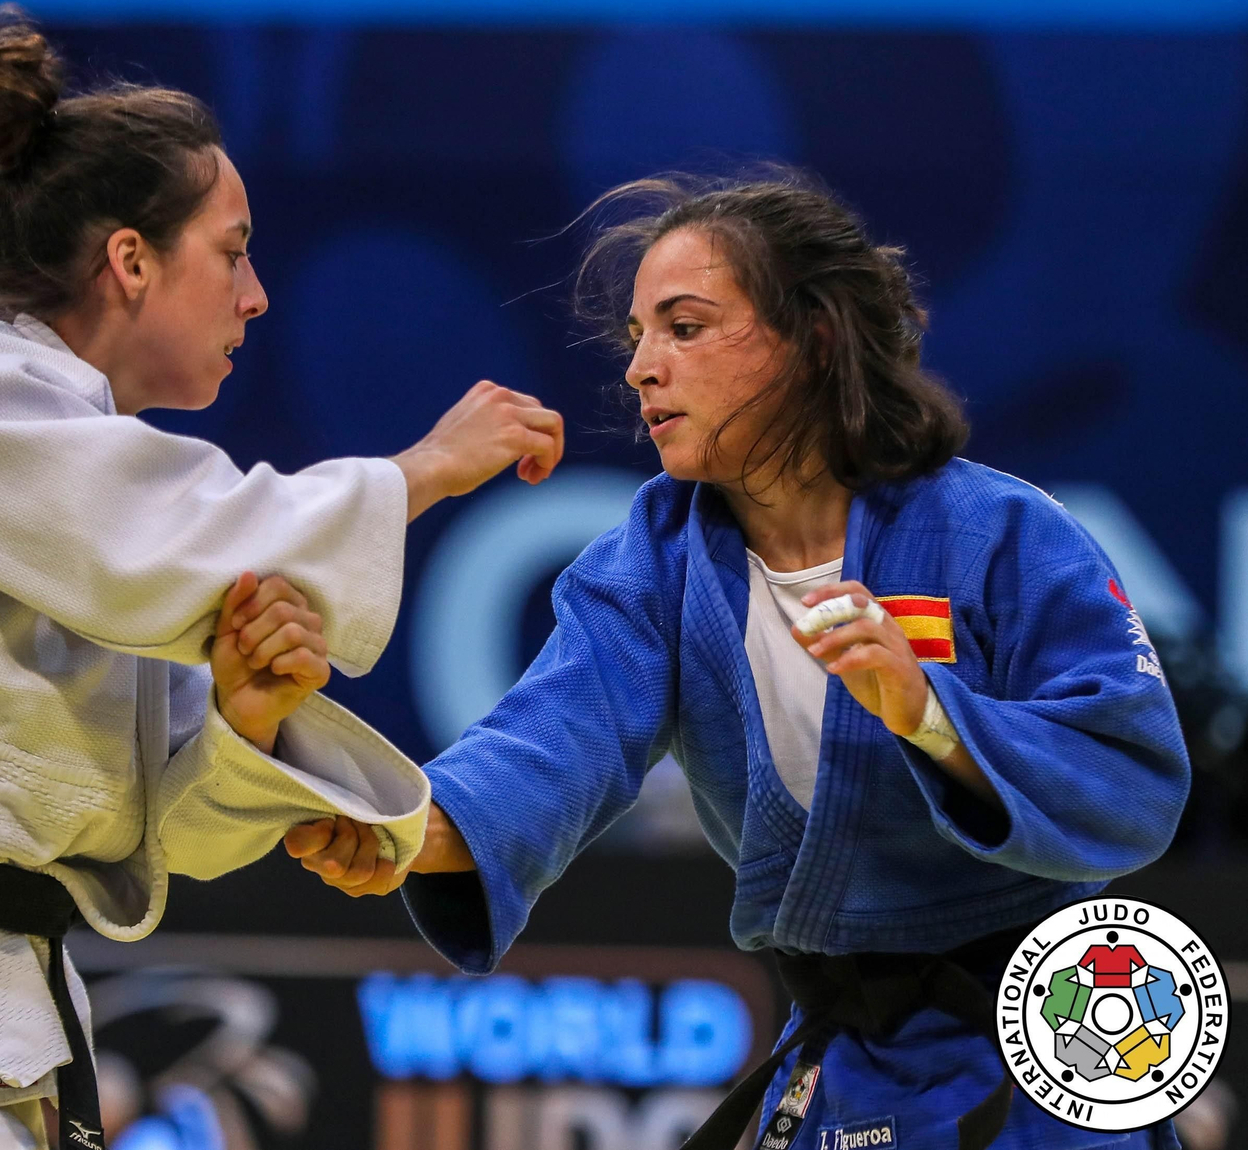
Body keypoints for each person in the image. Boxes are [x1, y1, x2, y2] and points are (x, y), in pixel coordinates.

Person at [0, 9, 564, 1150]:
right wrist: (420, 472)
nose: (256, 294)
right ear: (129, 258)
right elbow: (172, 536)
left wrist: (246, 725)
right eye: (233, 248)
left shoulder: (106, 503)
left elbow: (173, 837)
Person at [287, 173, 1191, 1150]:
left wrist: (925, 709)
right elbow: (548, 744)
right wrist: (408, 831)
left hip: (1047, 1040)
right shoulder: (657, 561)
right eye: (636, 335)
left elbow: (1131, 777)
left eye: (683, 326)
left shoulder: (999, 532)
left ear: (815, 340)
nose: (642, 368)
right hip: (850, 1049)